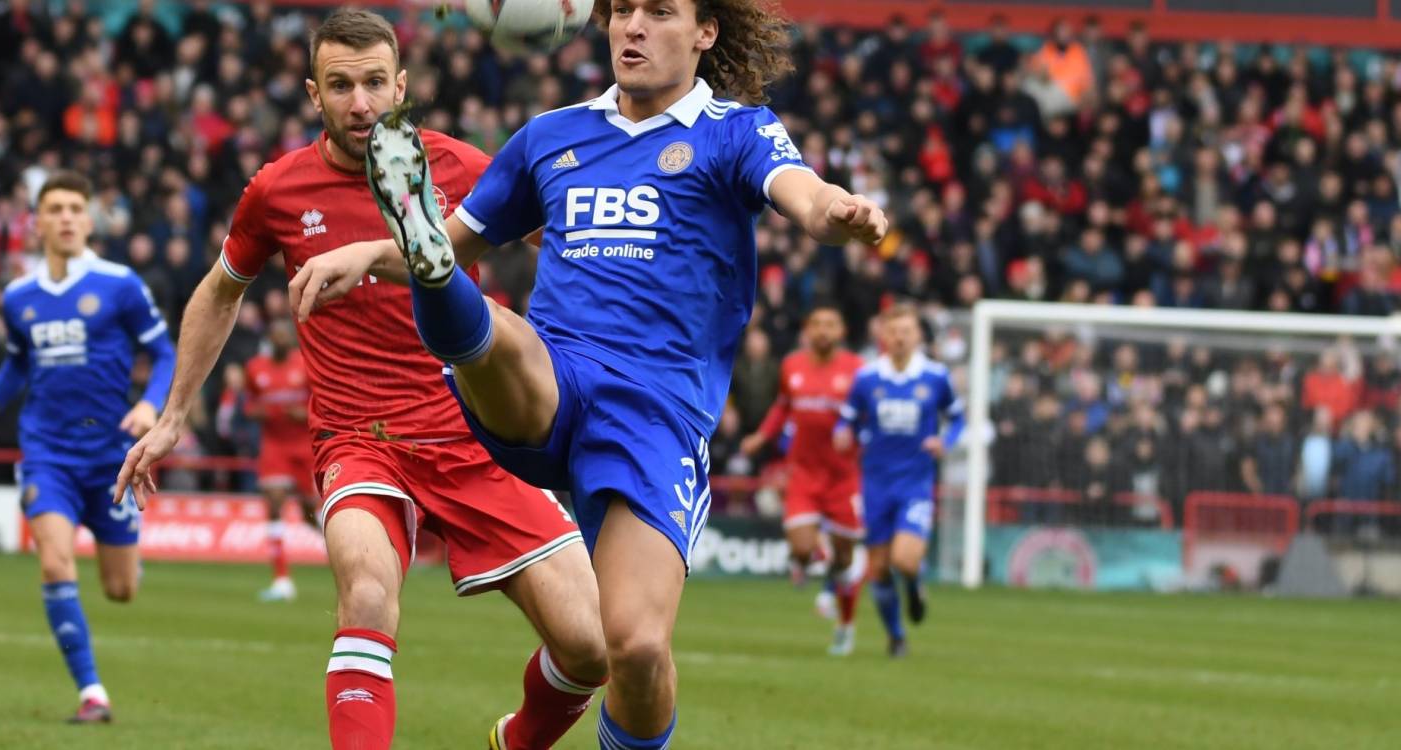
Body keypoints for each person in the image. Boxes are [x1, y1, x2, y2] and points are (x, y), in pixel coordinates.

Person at [290, 0, 886, 744]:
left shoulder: (736, 131)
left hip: (655, 413)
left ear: (705, 32)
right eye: (623, 10)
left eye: (659, 12)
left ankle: (524, 738)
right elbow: (460, 238)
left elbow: (802, 192)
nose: (633, 26)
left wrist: (838, 211)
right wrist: (373, 253)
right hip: (554, 376)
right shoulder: (552, 136)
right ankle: (437, 284)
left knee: (631, 648)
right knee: (487, 316)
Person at [115, 12, 606, 749]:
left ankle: (517, 741)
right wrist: (173, 414)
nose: (360, 103)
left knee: (591, 649)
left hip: (476, 434)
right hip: (360, 440)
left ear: (400, 86)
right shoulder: (277, 191)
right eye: (340, 85)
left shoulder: (463, 169)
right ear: (314, 93)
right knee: (368, 595)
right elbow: (220, 290)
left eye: (375, 83)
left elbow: (571, 248)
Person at [0, 170, 176, 724]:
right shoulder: (17, 296)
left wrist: (150, 407)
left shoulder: (120, 283)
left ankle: (125, 553)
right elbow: (18, 362)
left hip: (111, 455)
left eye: (76, 207)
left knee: (120, 589)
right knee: (54, 560)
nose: (67, 217)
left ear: (90, 219)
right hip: (46, 452)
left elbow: (165, 353)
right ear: (38, 221)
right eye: (56, 208)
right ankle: (92, 692)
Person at [834, 305, 964, 658]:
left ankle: (915, 585)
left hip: (915, 483)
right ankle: (896, 635)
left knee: (904, 560)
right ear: (884, 337)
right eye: (894, 331)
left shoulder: (936, 377)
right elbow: (846, 419)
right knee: (877, 569)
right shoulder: (867, 378)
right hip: (875, 483)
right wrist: (843, 433)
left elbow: (957, 419)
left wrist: (945, 443)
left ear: (918, 335)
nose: (900, 337)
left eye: (906, 330)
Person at [739, 306, 867, 656]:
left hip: (844, 477)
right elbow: (782, 407)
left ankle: (845, 624)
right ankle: (816, 560)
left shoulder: (857, 370)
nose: (823, 330)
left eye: (831, 324)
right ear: (807, 330)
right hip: (805, 474)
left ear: (841, 331)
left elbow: (869, 414)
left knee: (844, 560)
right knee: (800, 548)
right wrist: (761, 437)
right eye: (817, 324)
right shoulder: (792, 365)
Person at [242, 319, 317, 602]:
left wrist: (306, 414)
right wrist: (255, 412)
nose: (281, 340)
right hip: (274, 446)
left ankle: (345, 553)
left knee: (312, 514)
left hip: (304, 447)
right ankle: (282, 579)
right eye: (276, 336)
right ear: (270, 340)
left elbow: (322, 400)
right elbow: (248, 404)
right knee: (273, 503)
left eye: (286, 336)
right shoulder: (255, 368)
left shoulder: (304, 364)